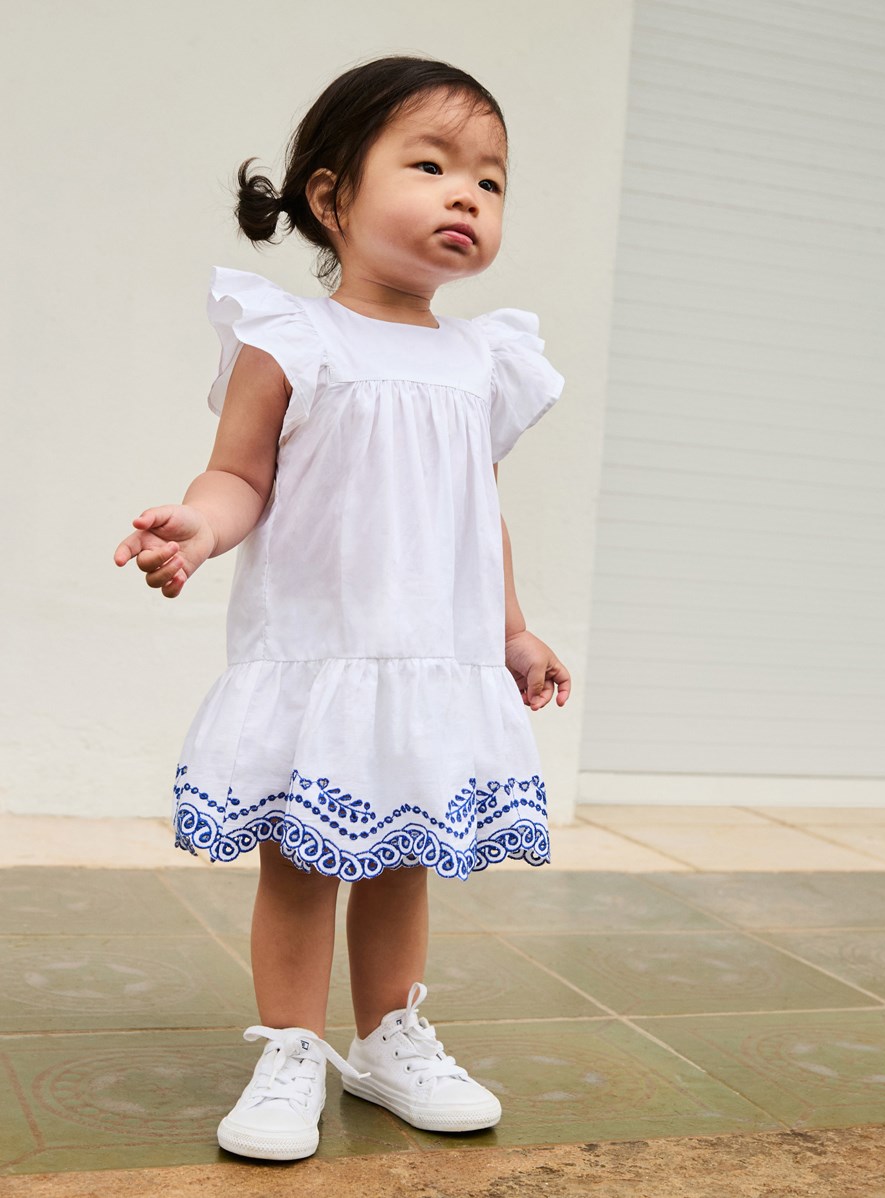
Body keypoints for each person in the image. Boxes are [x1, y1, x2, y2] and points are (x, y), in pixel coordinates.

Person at [114, 54, 571, 1162]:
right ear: (330, 196)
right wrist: (199, 525)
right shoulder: (292, 340)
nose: (467, 195)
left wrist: (510, 630)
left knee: (401, 855)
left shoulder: (482, 359)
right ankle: (288, 1046)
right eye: (431, 166)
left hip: (430, 659)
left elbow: (479, 514)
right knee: (303, 860)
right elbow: (240, 475)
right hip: (320, 653)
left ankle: (387, 1038)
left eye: (491, 181)